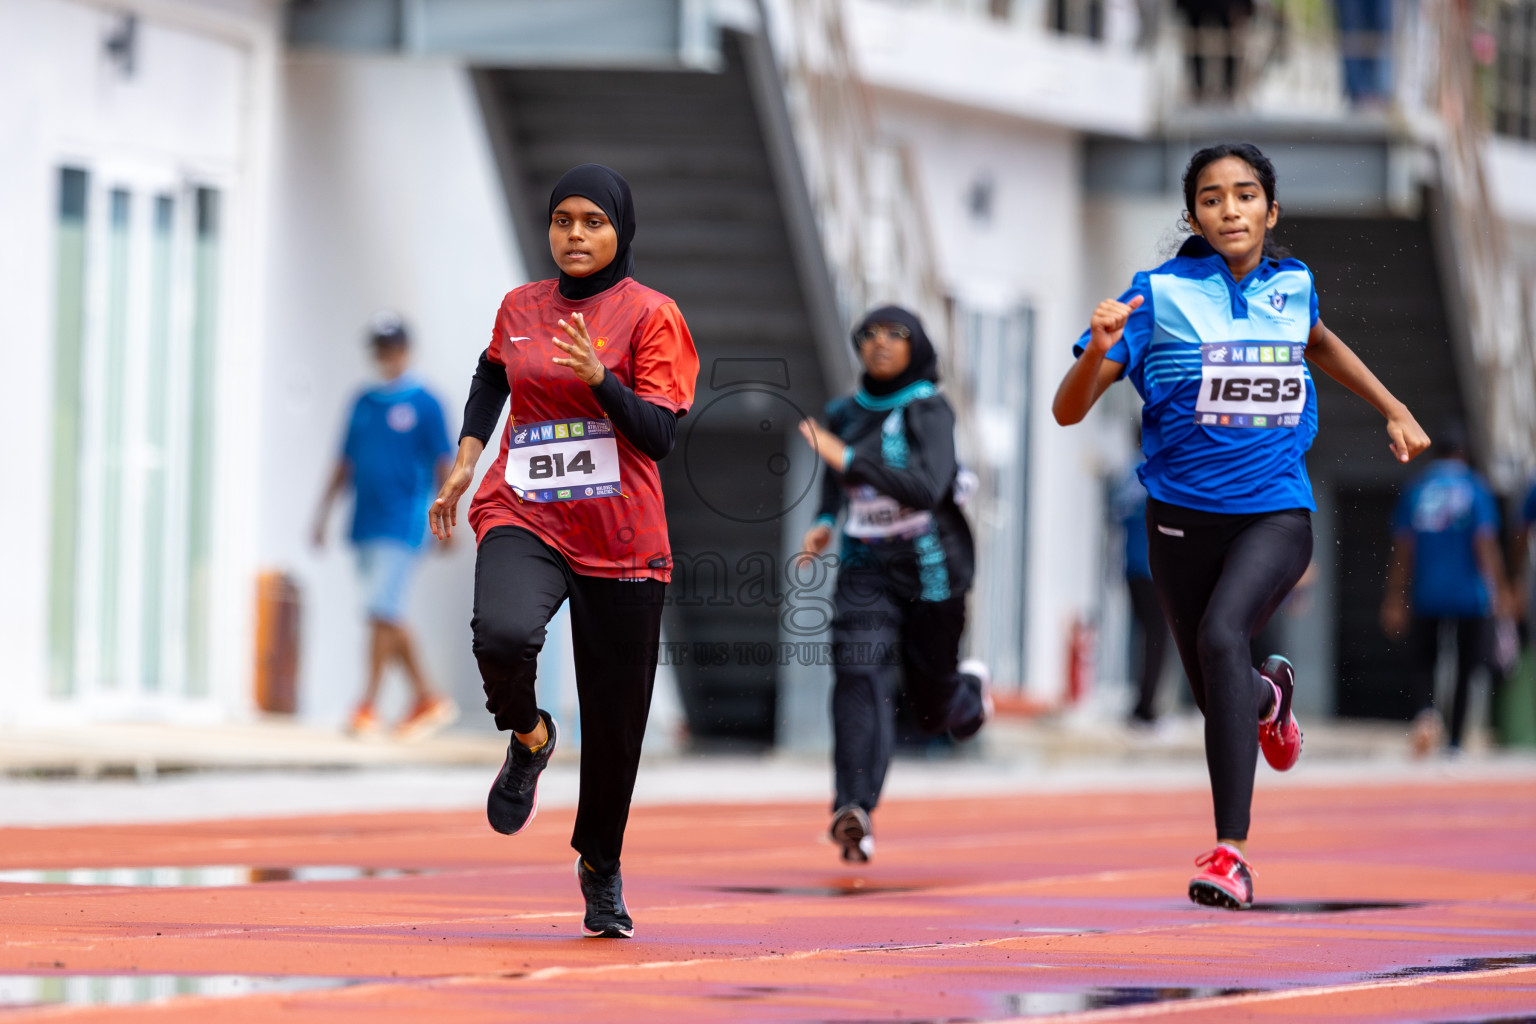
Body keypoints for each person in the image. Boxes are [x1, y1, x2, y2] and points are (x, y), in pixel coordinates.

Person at [1052, 142, 1430, 910]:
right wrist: (1096, 349)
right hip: (1180, 520)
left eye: (1246, 195)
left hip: (1275, 510)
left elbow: (1317, 342)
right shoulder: (1155, 296)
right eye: (1214, 198)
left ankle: (1230, 854)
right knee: (1216, 689)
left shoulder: (1294, 285)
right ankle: (1267, 699)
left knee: (1225, 636)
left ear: (1271, 210)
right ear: (1193, 214)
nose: (1231, 209)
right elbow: (1068, 409)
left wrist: (1391, 406)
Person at [428, 164, 698, 939]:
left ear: (620, 231)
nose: (575, 235)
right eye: (563, 221)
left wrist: (600, 382)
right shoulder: (521, 307)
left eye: (592, 222)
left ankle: (600, 864)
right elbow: (490, 374)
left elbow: (658, 436)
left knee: (616, 724)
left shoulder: (653, 316)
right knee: (504, 635)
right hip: (527, 511)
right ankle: (531, 736)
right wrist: (466, 458)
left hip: (621, 535)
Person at [797, 306, 990, 865]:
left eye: (895, 334)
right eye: (869, 335)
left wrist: (852, 459)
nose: (880, 344)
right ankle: (853, 808)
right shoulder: (843, 412)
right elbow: (838, 487)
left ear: (917, 346)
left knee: (929, 712)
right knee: (858, 674)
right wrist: (825, 524)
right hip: (866, 568)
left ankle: (967, 694)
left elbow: (928, 488)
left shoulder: (930, 409)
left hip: (933, 568)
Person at [313, 311, 459, 741]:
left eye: (392, 347)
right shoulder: (362, 402)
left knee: (383, 608)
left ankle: (368, 703)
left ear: (406, 350)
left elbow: (443, 462)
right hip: (365, 519)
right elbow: (344, 461)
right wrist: (322, 515)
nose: (386, 355)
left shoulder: (425, 402)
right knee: (383, 612)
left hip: (403, 520)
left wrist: (447, 516)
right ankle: (426, 698)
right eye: (380, 347)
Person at [1381, 423, 1512, 755]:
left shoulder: (1418, 488)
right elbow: (1485, 543)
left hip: (1427, 590)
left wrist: (1395, 595)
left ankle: (1426, 713)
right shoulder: (1475, 488)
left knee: (1424, 658)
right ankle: (1454, 740)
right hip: (1471, 593)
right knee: (1468, 665)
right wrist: (1499, 590)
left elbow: (1403, 547)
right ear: (1463, 454)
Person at [1113, 466, 1172, 727]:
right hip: (1153, 569)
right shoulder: (1156, 470)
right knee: (1157, 638)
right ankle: (1146, 707)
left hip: (1133, 567)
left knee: (1145, 635)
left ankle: (1142, 703)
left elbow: (1116, 513)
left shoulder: (1130, 475)